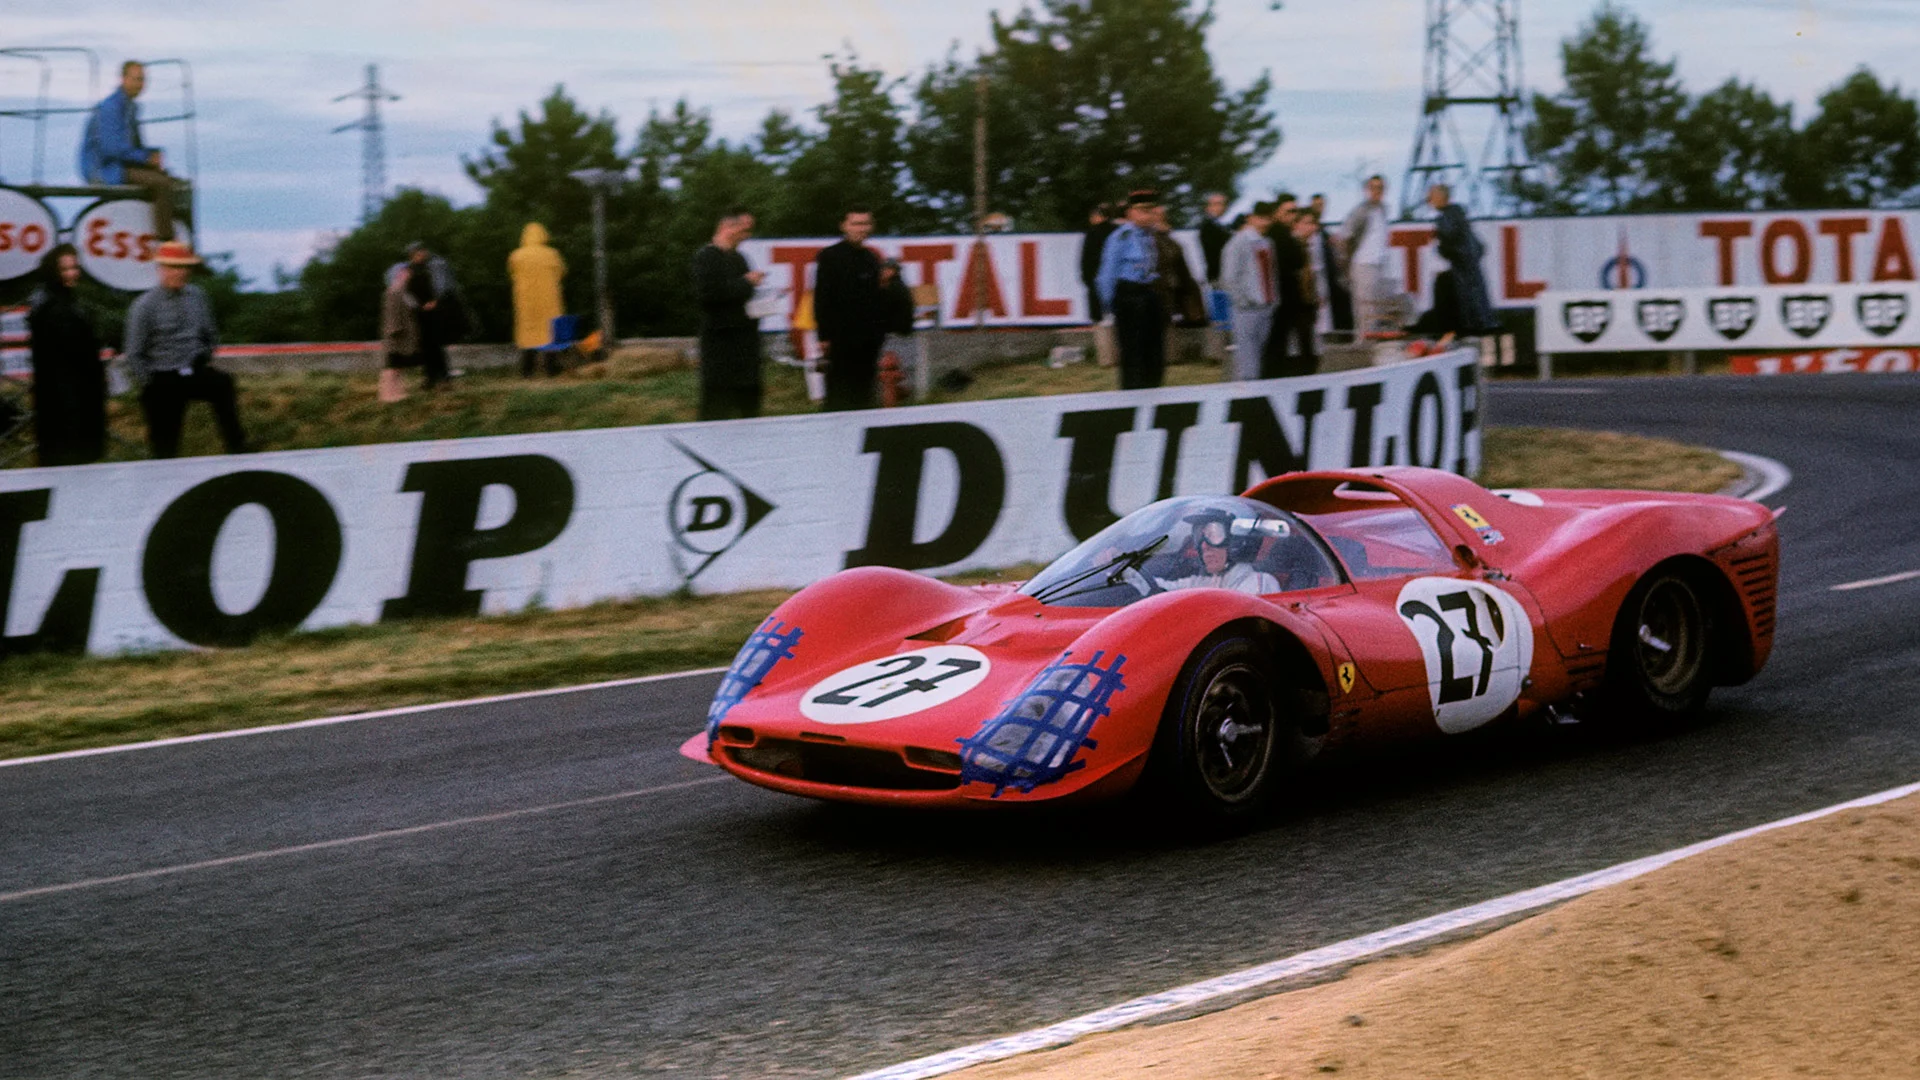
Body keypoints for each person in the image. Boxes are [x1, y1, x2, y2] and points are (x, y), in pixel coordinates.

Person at [123, 241, 247, 458]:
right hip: (162, 375)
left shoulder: (197, 297)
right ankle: (162, 466)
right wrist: (149, 382)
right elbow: (134, 352)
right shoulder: (144, 305)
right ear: (161, 269)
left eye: (183, 268)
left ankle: (238, 450)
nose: (179, 273)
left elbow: (210, 334)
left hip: (194, 368)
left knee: (223, 384)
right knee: (165, 440)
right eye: (173, 267)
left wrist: (204, 356)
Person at [26, 245, 109, 466]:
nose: (72, 273)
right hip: (65, 396)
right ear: (53, 270)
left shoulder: (61, 300)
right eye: (65, 269)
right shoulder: (51, 306)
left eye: (74, 267)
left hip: (73, 392)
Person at [79, 61, 180, 242]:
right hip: (103, 169)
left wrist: (152, 154)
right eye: (136, 79)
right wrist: (146, 158)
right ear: (124, 79)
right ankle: (166, 240)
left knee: (173, 180)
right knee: (162, 184)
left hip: (118, 163)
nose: (140, 85)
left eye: (142, 80)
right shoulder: (111, 107)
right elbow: (112, 149)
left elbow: (133, 146)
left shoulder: (130, 107)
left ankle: (164, 230)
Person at [812, 205, 892, 411]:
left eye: (865, 223)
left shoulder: (871, 258)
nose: (861, 228)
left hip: (868, 340)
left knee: (864, 396)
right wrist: (823, 336)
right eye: (856, 223)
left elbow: (876, 298)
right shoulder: (830, 256)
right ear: (844, 226)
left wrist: (879, 333)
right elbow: (822, 297)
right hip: (841, 339)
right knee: (839, 395)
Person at [691, 207, 766, 420]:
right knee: (717, 409)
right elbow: (710, 295)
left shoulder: (740, 259)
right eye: (744, 229)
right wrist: (746, 282)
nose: (747, 235)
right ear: (727, 227)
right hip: (721, 348)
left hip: (746, 347)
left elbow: (743, 297)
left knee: (750, 409)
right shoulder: (706, 257)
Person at [1096, 190, 1167, 390]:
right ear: (1130, 213)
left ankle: (1154, 392)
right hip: (1129, 296)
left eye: (1151, 211)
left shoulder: (1150, 236)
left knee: (1154, 351)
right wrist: (1111, 305)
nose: (1149, 216)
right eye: (1143, 211)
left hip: (1148, 292)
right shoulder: (1121, 237)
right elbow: (1106, 274)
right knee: (1133, 353)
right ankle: (1132, 397)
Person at [387, 242, 464, 389]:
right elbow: (404, 291)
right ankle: (430, 378)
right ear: (412, 254)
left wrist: (434, 301)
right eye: (418, 253)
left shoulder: (433, 267)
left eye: (422, 252)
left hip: (434, 311)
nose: (421, 255)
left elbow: (442, 286)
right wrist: (416, 305)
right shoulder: (408, 270)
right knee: (424, 346)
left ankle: (444, 377)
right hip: (418, 313)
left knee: (436, 344)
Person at [1427, 183, 1500, 335]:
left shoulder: (1445, 217)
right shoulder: (1459, 214)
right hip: (1469, 262)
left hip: (1462, 264)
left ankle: (1474, 328)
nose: (1430, 201)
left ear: (1440, 197)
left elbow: (1448, 237)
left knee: (1466, 302)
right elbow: (1480, 246)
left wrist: (1441, 244)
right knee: (1478, 298)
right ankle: (1483, 324)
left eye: (1432, 197)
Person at [1154, 511, 1281, 595]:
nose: (1204, 545)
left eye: (1213, 534)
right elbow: (1165, 590)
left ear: (1236, 540)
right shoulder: (1204, 583)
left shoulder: (1260, 582)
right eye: (1199, 536)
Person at [1219, 202, 1278, 381]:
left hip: (1266, 305)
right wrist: (1243, 301)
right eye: (1260, 217)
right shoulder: (1238, 242)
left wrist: (1274, 300)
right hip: (1247, 308)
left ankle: (1256, 394)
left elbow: (1272, 274)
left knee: (1259, 355)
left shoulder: (1267, 242)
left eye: (1268, 218)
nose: (1265, 222)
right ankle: (1245, 396)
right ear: (1251, 218)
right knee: (1247, 357)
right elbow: (1229, 277)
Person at [1261, 193, 1315, 378]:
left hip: (1287, 296)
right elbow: (1296, 261)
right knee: (1282, 340)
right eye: (1289, 211)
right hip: (1283, 296)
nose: (1293, 215)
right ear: (1278, 212)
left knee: (1285, 340)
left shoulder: (1280, 234)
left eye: (1295, 211)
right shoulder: (1279, 234)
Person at [508, 222, 567, 378]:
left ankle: (527, 371)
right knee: (550, 332)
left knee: (528, 333)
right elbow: (561, 273)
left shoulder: (516, 255)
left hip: (526, 302)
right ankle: (551, 369)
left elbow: (512, 274)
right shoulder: (552, 254)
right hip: (549, 301)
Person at [1341, 175, 1395, 337]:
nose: (1377, 191)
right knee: (1364, 306)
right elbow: (1346, 237)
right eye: (1374, 188)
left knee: (1377, 305)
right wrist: (1349, 263)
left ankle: (1374, 340)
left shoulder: (1384, 209)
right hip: (1363, 263)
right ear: (1367, 190)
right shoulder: (1361, 211)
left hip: (1379, 264)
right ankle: (1363, 342)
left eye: (1381, 188)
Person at [379, 265, 419, 403]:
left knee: (398, 366)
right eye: (406, 271)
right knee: (392, 366)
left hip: (403, 335)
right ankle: (387, 395)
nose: (409, 274)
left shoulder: (404, 291)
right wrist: (394, 330)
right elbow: (391, 314)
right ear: (399, 274)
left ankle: (397, 392)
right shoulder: (394, 291)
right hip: (396, 335)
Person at [1198, 192, 1233, 322]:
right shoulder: (1208, 226)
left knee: (1226, 316)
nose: (1221, 207)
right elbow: (1213, 254)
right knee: (1223, 319)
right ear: (1208, 207)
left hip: (1221, 275)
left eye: (1223, 204)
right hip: (1218, 276)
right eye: (1216, 204)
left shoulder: (1219, 226)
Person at [1079, 203, 1117, 322]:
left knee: (1099, 318)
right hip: (1116, 280)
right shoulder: (1118, 232)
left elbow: (1086, 259)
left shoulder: (1092, 233)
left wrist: (1086, 277)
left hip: (1096, 279)